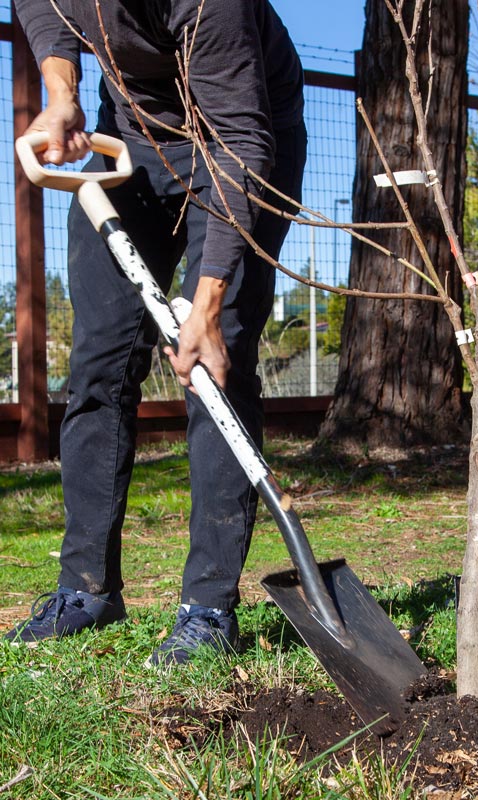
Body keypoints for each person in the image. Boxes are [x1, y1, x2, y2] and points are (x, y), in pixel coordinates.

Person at [4, 0, 306, 667]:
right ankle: (86, 589)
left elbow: (241, 141)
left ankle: (207, 607)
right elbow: (45, 10)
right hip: (132, 143)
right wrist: (62, 96)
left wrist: (207, 302)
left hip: (239, 143)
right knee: (99, 361)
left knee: (214, 364)